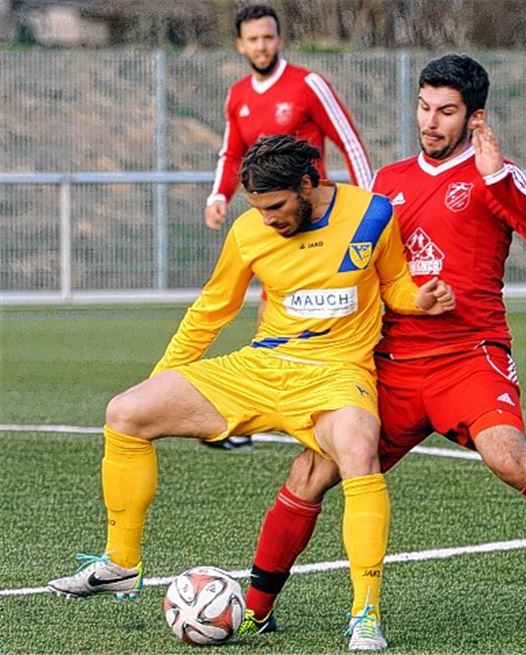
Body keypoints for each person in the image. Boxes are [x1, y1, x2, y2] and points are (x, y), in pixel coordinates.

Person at [234, 54, 526, 646]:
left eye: (447, 111)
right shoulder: (389, 181)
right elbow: (355, 263)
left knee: (510, 457)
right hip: (390, 364)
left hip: (468, 357)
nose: (430, 122)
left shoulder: (496, 174)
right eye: (424, 107)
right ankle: (255, 607)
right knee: (311, 471)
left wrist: (496, 177)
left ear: (475, 117)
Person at [46, 135, 455, 652]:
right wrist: (162, 377)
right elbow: (211, 310)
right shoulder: (248, 232)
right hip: (260, 368)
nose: (268, 219)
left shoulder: (372, 213)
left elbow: (394, 283)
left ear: (308, 184)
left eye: (277, 206)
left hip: (333, 373)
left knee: (358, 448)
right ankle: (122, 562)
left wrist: (419, 299)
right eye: (259, 209)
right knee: (126, 412)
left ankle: (365, 615)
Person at [204, 3, 374, 451]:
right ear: (240, 44)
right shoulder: (238, 94)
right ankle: (257, 413)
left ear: (279, 39)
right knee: (268, 310)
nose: (261, 46)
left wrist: (373, 207)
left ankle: (341, 403)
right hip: (270, 224)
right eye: (252, 39)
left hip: (317, 221)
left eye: (268, 37)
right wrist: (218, 196)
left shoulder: (307, 84)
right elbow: (231, 154)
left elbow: (350, 143)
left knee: (325, 310)